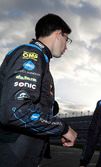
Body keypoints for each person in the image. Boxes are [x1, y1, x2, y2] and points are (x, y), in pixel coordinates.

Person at [0, 13, 77, 167]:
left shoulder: (40, 58)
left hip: (22, 150)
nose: (66, 47)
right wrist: (62, 128)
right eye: (66, 39)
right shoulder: (31, 54)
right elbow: (16, 110)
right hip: (13, 151)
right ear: (58, 33)